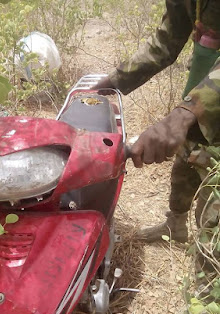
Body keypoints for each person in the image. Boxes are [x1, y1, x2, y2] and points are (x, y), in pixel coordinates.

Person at [93, 0, 220, 244]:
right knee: (187, 161)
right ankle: (175, 226)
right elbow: (166, 41)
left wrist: (184, 114)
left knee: (211, 221)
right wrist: (113, 82)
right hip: (199, 96)